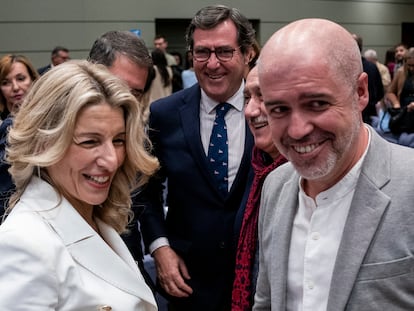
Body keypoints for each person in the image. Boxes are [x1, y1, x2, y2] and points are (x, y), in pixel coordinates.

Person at [254, 18, 414, 310]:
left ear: (360, 92)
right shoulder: (275, 186)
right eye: (279, 109)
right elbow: (266, 301)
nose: (297, 130)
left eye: (317, 104)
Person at [0, 60, 159, 310]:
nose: (111, 160)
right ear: (44, 142)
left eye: (118, 140)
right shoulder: (24, 244)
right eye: (89, 142)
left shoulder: (93, 214)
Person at [138, 5, 256, 310]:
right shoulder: (165, 114)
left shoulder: (271, 110)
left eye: (224, 52)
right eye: (202, 52)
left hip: (258, 279)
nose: (212, 63)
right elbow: (145, 190)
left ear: (247, 54)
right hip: (188, 283)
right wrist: (160, 248)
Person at [87, 29, 156, 289]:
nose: (126, 101)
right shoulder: (41, 137)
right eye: (118, 87)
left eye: (135, 93)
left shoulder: (136, 141)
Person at [231, 65, 287, 311]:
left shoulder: (313, 175)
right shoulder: (257, 165)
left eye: (262, 96)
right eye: (246, 98)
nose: (250, 111)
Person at [0, 54, 39, 215]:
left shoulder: (47, 120)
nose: (15, 87)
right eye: (5, 83)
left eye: (21, 78)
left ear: (33, 80)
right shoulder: (10, 128)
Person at [352, 34, 384, 125]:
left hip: (362, 116)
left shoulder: (343, 67)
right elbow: (380, 93)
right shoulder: (372, 66)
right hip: (369, 113)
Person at [384, 47, 414, 141]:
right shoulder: (401, 72)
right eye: (409, 65)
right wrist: (396, 103)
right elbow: (390, 92)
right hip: (404, 111)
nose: (411, 68)